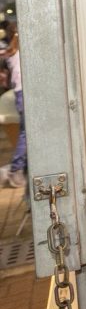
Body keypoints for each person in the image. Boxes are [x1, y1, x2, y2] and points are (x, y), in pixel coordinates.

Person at [0, 21, 26, 189]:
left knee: (26, 133)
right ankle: (15, 170)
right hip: (24, 93)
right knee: (27, 133)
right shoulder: (18, 51)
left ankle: (17, 169)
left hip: (19, 93)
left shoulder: (11, 51)